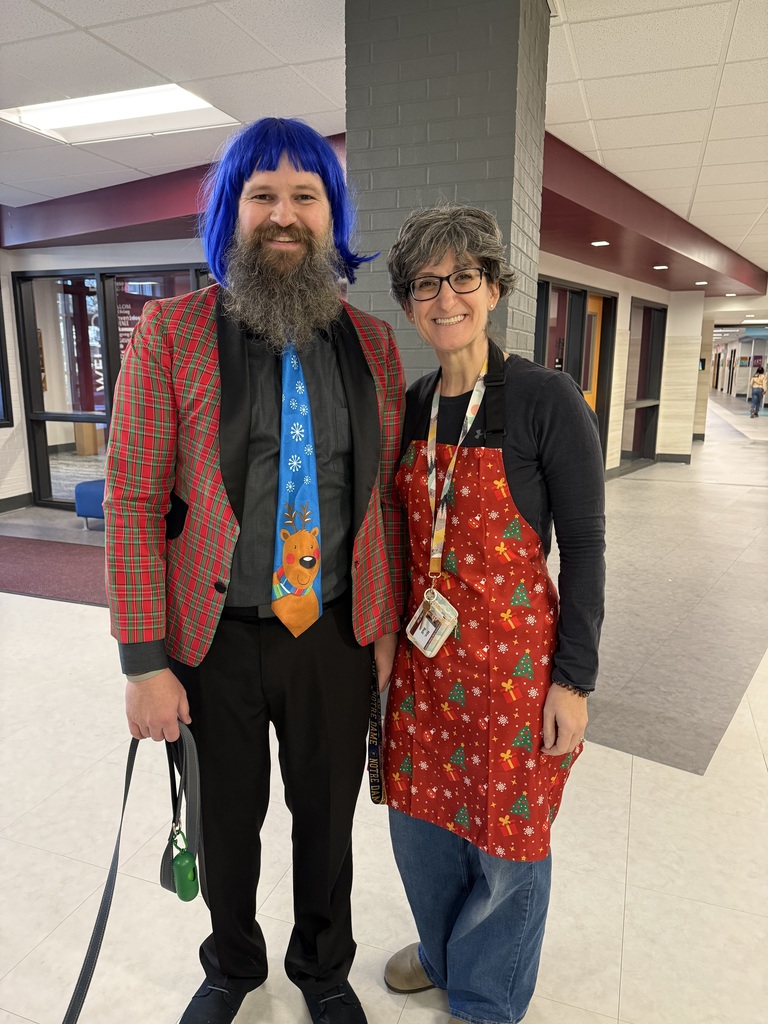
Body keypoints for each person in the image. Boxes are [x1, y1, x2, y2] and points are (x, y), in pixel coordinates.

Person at [103, 117, 406, 1024]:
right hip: (214, 641)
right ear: (230, 214)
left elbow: (384, 503)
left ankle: (323, 969)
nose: (284, 214)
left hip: (333, 634)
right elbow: (132, 502)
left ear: (330, 216)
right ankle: (233, 966)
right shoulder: (169, 334)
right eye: (262, 194)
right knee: (227, 823)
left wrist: (384, 629)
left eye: (305, 196)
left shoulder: (373, 344)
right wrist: (144, 664)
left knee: (328, 821)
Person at [381, 205, 605, 1024]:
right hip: (425, 668)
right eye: (426, 284)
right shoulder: (410, 406)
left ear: (495, 288)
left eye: (464, 277)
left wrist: (573, 681)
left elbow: (585, 547)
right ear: (409, 303)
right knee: (423, 826)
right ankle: (443, 951)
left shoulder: (545, 399)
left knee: (508, 844)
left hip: (515, 673)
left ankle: (486, 995)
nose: (447, 298)